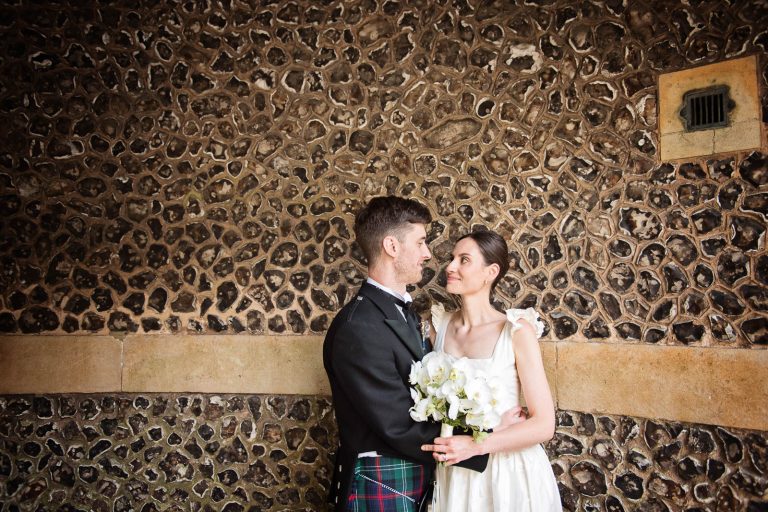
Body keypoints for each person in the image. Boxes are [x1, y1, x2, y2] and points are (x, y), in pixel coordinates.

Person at [323, 196, 490, 512]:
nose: (428, 254)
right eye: (421, 242)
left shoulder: (403, 313)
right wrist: (481, 443)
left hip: (414, 478)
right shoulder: (358, 327)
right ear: (392, 246)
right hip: (382, 481)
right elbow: (397, 424)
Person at [421, 230, 562, 512]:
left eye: (464, 260)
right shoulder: (438, 326)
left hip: (508, 475)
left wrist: (476, 444)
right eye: (452, 259)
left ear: (490, 272)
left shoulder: (516, 331)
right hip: (456, 474)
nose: (450, 267)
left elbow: (544, 424)